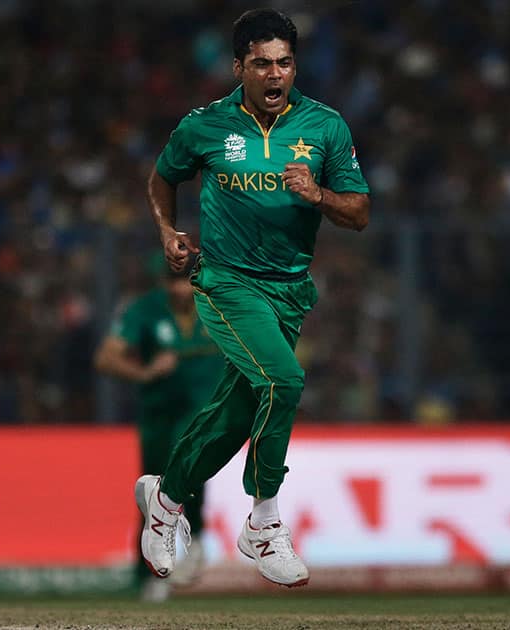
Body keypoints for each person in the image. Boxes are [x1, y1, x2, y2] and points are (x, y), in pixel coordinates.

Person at [134, 8, 370, 588]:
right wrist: (168, 231)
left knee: (238, 409)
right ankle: (262, 522)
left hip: (289, 289)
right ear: (239, 66)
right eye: (261, 63)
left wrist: (317, 193)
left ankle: (164, 502)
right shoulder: (206, 126)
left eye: (284, 63)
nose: (274, 74)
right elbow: (164, 177)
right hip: (227, 282)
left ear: (295, 66)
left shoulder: (325, 126)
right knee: (283, 381)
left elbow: (359, 212)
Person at [95, 256, 224, 600]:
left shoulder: (219, 302)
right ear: (163, 282)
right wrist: (146, 373)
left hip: (201, 411)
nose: (182, 288)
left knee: (189, 460)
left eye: (188, 280)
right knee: (153, 492)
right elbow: (106, 358)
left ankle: (195, 536)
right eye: (174, 281)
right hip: (157, 414)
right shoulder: (145, 310)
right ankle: (148, 574)